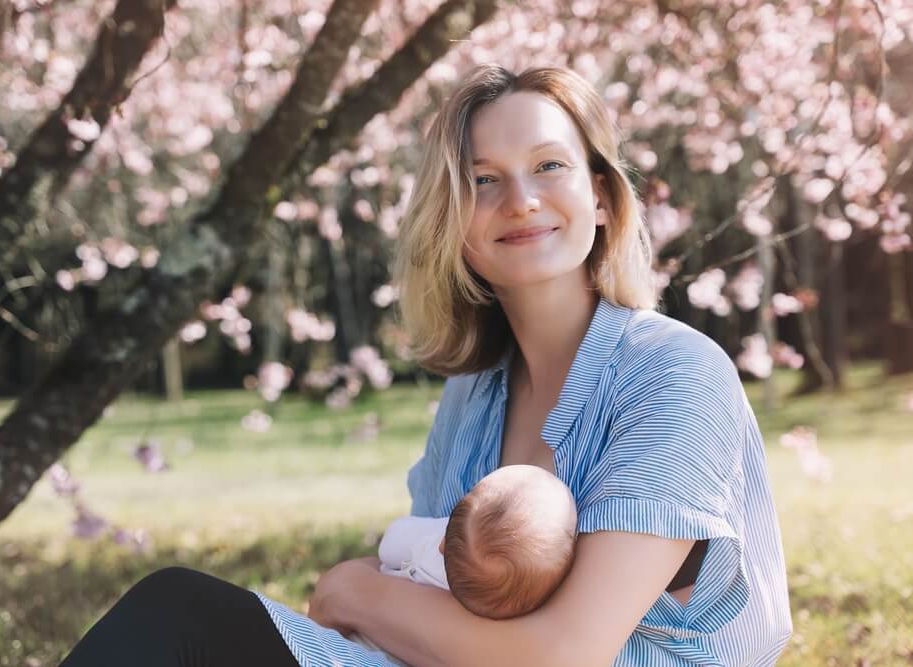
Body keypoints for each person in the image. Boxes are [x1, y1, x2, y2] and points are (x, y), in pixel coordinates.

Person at [59, 64, 793, 666]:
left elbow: (564, 654)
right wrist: (368, 605)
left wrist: (354, 590)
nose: (522, 200)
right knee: (181, 614)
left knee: (182, 611)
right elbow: (430, 589)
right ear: (454, 221)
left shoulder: (674, 374)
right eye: (483, 180)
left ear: (599, 196)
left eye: (549, 166)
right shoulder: (476, 393)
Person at [350, 465, 578, 663]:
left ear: (443, 544)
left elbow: (388, 546)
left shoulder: (435, 545)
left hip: (373, 637)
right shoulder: (514, 608)